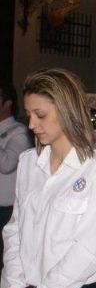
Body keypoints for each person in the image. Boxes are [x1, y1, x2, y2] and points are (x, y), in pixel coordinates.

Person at [1, 68, 96, 288]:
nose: (31, 124)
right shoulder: (28, 162)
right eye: (29, 114)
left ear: (67, 111)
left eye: (40, 115)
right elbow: (15, 230)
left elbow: (86, 252)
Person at [0, 83, 32, 267]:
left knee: (6, 263)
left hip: (6, 210)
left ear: (7, 104)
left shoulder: (18, 132)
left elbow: (7, 164)